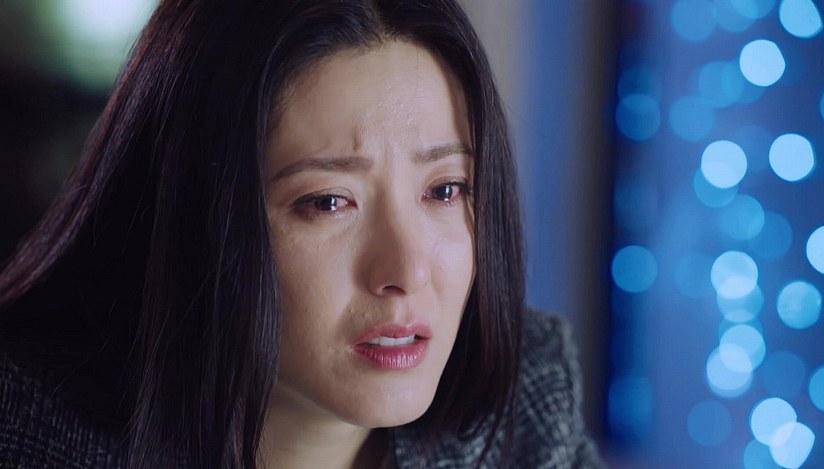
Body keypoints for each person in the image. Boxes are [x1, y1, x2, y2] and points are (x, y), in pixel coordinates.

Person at [0, 0, 602, 467]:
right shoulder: (32, 434)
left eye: (445, 190)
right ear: (201, 212)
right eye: (328, 202)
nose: (406, 271)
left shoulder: (526, 399)